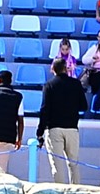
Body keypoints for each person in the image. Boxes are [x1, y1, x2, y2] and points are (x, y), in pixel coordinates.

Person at [37, 55, 86, 184]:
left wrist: (39, 132)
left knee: (57, 165)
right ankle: (75, 190)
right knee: (73, 163)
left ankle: (60, 191)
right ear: (66, 69)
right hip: (72, 128)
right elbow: (84, 106)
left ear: (53, 69)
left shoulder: (49, 85)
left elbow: (44, 109)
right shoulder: (76, 84)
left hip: (54, 128)